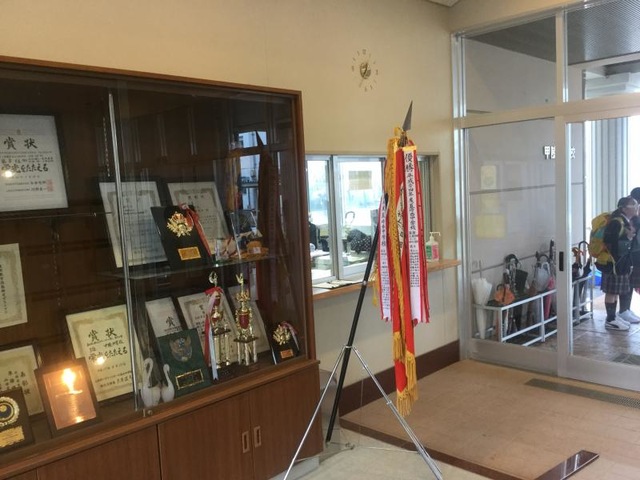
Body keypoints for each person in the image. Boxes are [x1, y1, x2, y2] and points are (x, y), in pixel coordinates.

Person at [600, 196, 638, 330]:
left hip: (620, 262)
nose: (636, 208)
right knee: (611, 292)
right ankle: (610, 320)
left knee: (615, 292)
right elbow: (610, 243)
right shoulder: (616, 222)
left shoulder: (624, 221)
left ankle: (613, 317)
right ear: (624, 208)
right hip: (613, 263)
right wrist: (628, 237)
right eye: (633, 205)